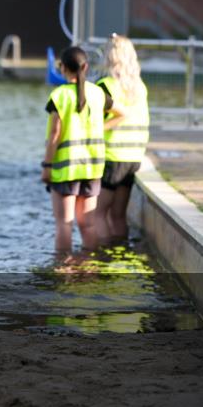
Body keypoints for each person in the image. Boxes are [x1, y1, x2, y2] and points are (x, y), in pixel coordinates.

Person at [41, 47, 114, 255]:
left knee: (64, 224)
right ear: (86, 67)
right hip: (92, 169)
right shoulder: (98, 93)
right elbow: (115, 109)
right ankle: (89, 266)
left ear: (62, 68)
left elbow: (55, 134)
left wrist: (47, 165)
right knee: (88, 224)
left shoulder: (59, 95)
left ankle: (63, 268)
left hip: (66, 169)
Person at [95, 35, 150, 242]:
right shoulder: (140, 87)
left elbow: (98, 120)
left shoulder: (105, 85)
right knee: (118, 215)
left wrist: (96, 131)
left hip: (112, 157)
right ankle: (120, 253)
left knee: (97, 214)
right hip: (133, 157)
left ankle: (101, 257)